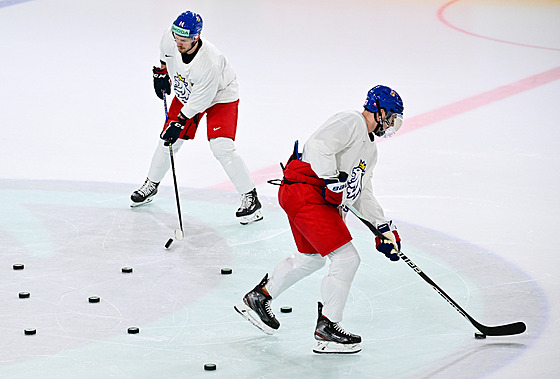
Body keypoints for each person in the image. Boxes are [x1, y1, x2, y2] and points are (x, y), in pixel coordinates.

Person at [234, 85, 404, 353]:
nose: (393, 124)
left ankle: (259, 297)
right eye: (392, 117)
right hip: (305, 191)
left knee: (310, 258)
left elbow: (361, 191)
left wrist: (382, 229)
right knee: (347, 258)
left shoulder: (370, 151)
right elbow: (318, 147)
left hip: (305, 196)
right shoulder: (352, 121)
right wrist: (331, 180)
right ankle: (328, 329)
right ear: (380, 111)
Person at [131, 10, 263, 225]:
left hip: (220, 95)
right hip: (189, 91)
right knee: (167, 141)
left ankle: (251, 198)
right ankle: (151, 185)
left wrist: (179, 122)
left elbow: (200, 101)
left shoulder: (209, 62)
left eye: (183, 40)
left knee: (222, 147)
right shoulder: (170, 38)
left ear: (196, 37)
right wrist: (161, 73)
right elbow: (165, 57)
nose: (178, 43)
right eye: (176, 38)